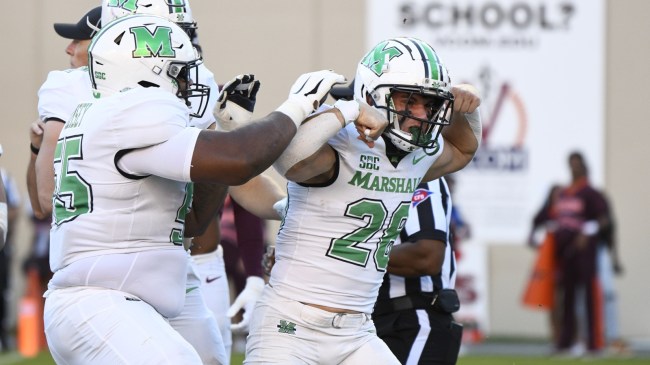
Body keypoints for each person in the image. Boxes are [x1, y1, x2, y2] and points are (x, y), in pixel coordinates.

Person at [41, 14, 366, 364]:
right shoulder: (131, 112)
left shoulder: (110, 115)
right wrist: (298, 107)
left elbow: (194, 222)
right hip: (99, 299)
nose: (186, 84)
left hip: (138, 295)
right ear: (147, 74)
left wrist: (224, 132)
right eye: (178, 73)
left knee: (211, 359)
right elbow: (241, 159)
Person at [245, 37, 481, 364]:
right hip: (290, 326)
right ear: (372, 94)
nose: (421, 115)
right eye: (408, 100)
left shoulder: (417, 155)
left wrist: (466, 103)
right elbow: (287, 160)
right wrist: (347, 109)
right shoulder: (342, 141)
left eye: (428, 103)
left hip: (357, 332)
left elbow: (464, 149)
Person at [373, 178, 463, 364]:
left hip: (412, 320)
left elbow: (427, 257)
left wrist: (350, 253)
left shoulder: (421, 176)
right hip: (365, 320)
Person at [552, 151, 609, 356]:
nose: (574, 168)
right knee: (566, 298)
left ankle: (593, 344)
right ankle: (566, 342)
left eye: (577, 164)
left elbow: (603, 219)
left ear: (583, 166)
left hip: (584, 252)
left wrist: (587, 231)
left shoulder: (590, 193)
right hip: (565, 252)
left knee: (588, 297)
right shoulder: (565, 193)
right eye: (571, 164)